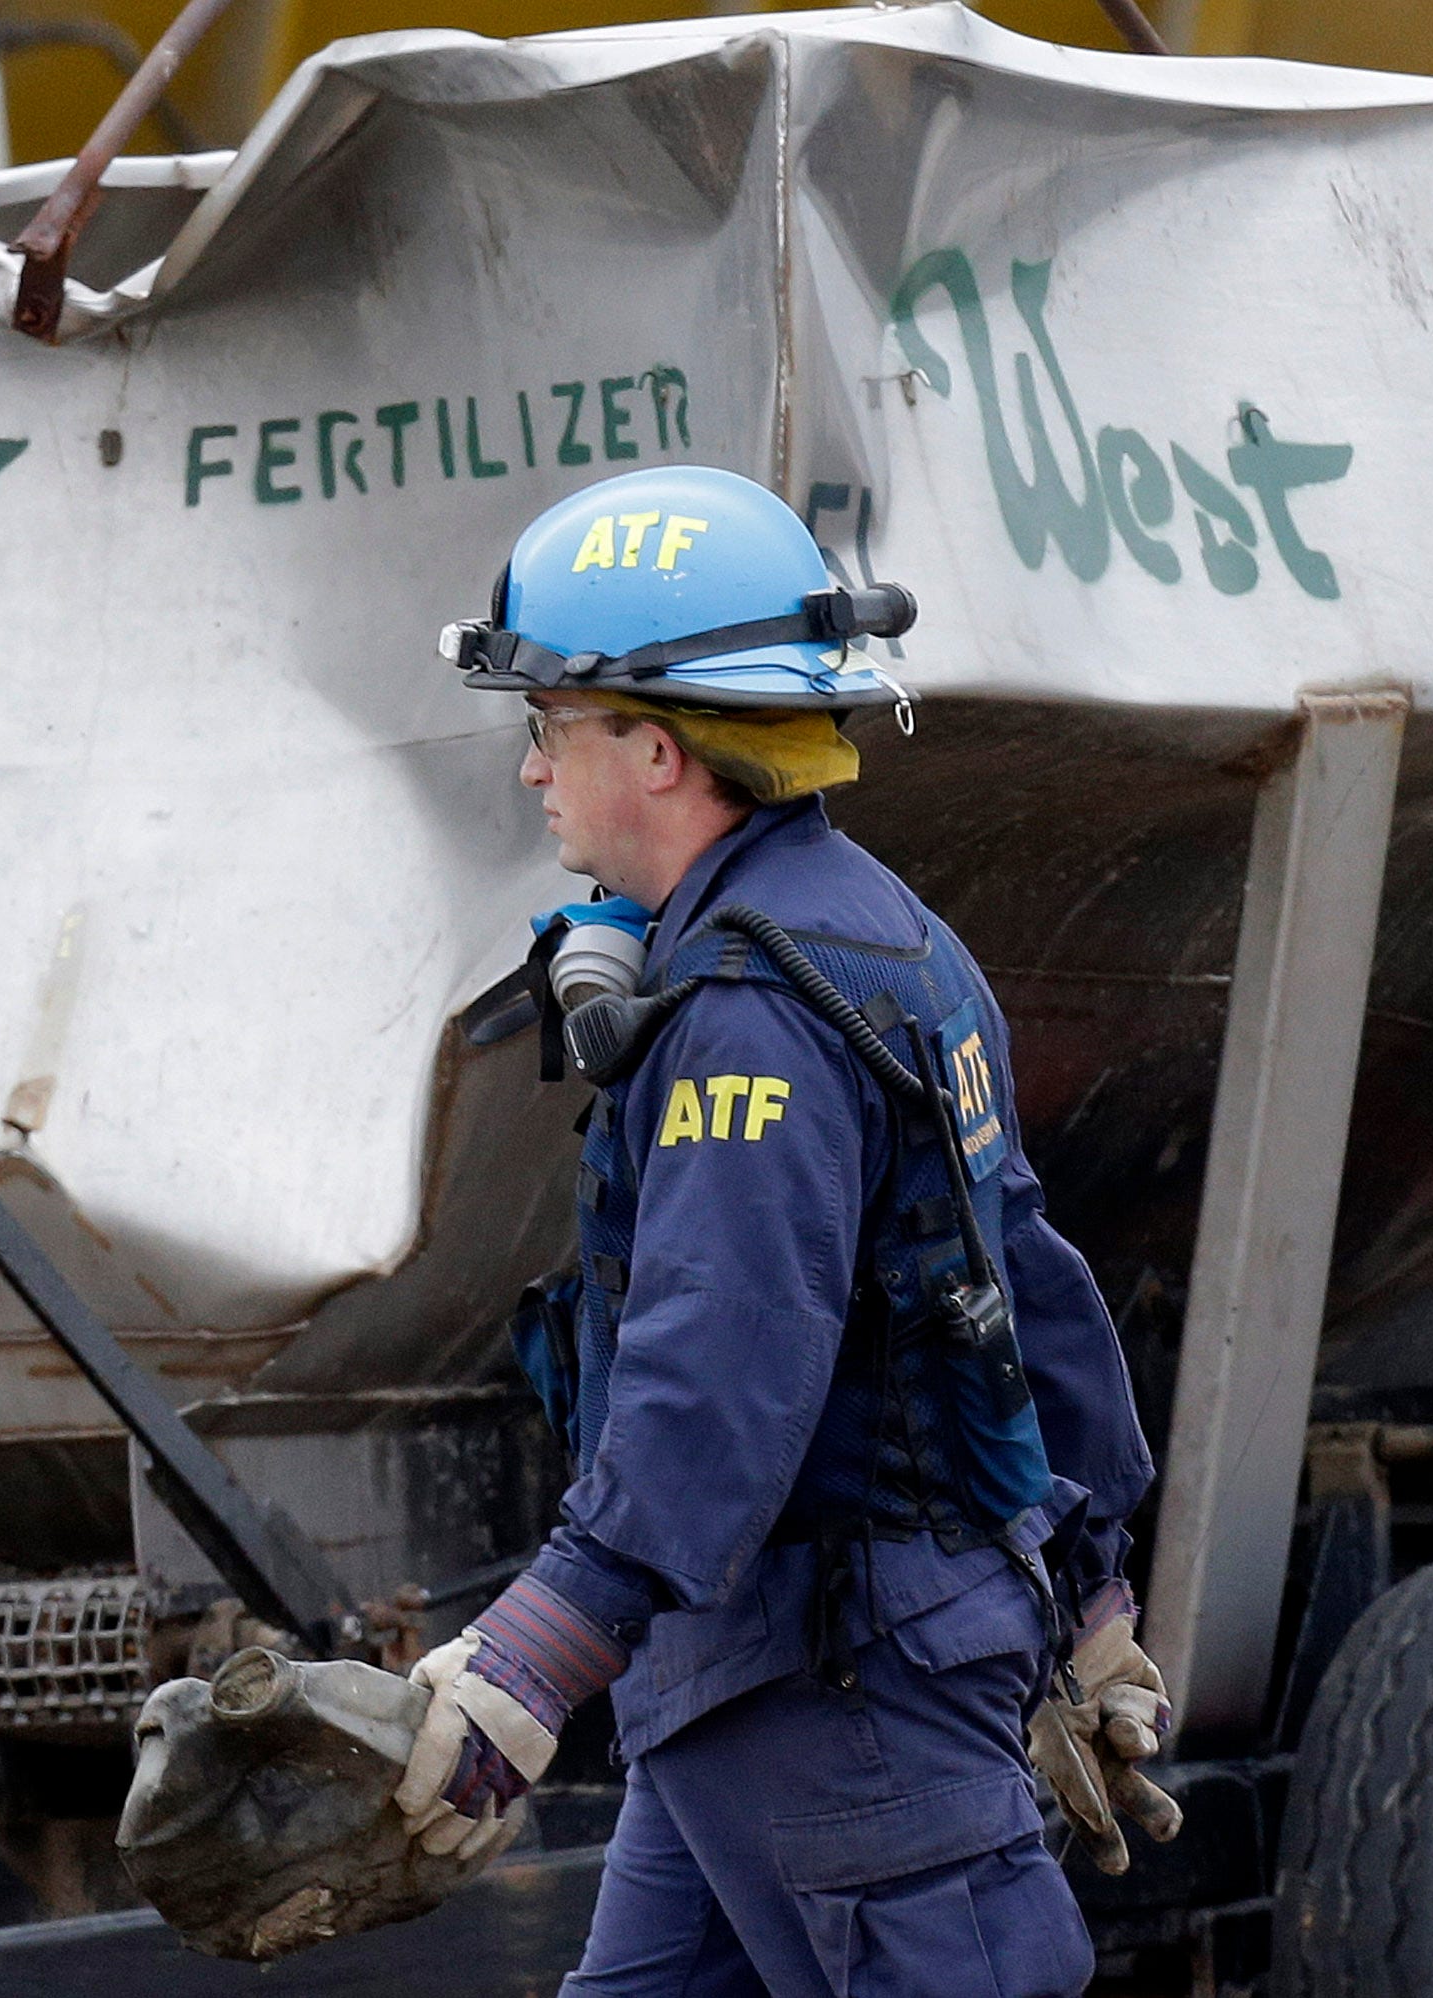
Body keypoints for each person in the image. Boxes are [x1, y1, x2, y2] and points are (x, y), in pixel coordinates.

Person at [395, 465, 1177, 1997]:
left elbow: (717, 1376)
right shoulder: (887, 935)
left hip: (844, 1698)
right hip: (754, 1687)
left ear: (660, 749)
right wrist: (1089, 1594)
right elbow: (1020, 1285)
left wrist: (535, 1658)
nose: (535, 770)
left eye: (550, 723)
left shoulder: (750, 1013)